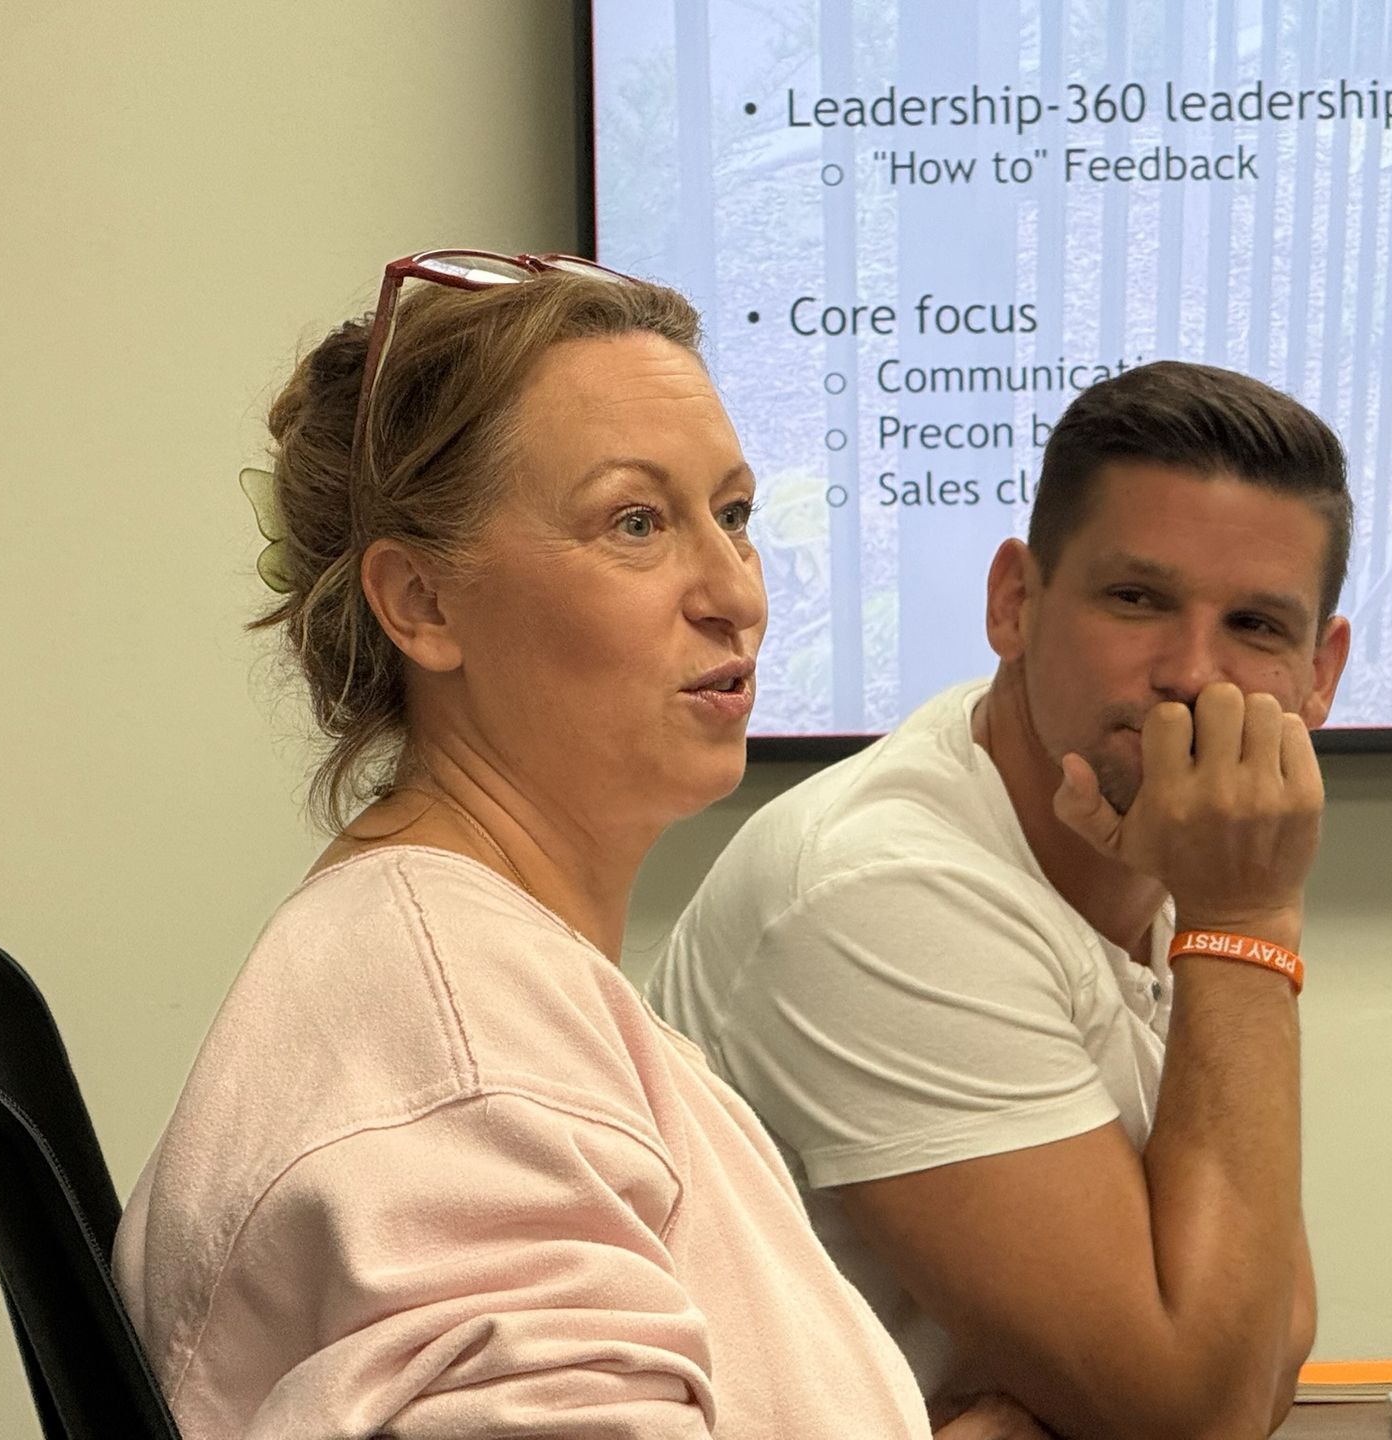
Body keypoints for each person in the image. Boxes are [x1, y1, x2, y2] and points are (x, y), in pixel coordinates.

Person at [113, 251, 1045, 1440]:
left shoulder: (485, 978)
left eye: (737, 514)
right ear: (423, 605)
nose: (737, 592)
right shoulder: (462, 1053)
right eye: (637, 522)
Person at [649, 360, 1355, 1440]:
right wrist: (1250, 923)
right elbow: (1203, 1411)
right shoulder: (884, 887)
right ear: (1014, 604)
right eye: (1137, 598)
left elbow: (1264, 1339)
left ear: (1321, 674)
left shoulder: (1144, 859)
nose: (1189, 671)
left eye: (1257, 627)